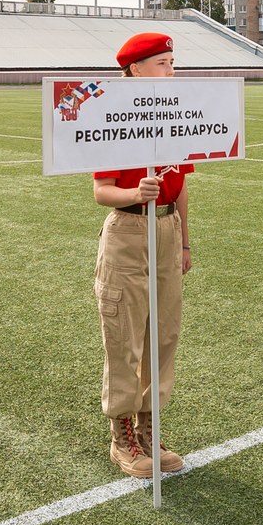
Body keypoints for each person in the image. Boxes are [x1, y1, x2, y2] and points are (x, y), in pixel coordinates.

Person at [90, 33, 192, 479]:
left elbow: (183, 184)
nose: (171, 71)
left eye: (172, 62)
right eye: (162, 64)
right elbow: (101, 191)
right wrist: (136, 191)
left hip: (166, 228)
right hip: (129, 229)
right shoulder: (112, 116)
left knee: (163, 335)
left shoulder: (174, 116)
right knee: (125, 337)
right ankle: (123, 435)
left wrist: (185, 241)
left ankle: (151, 425)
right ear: (134, 70)